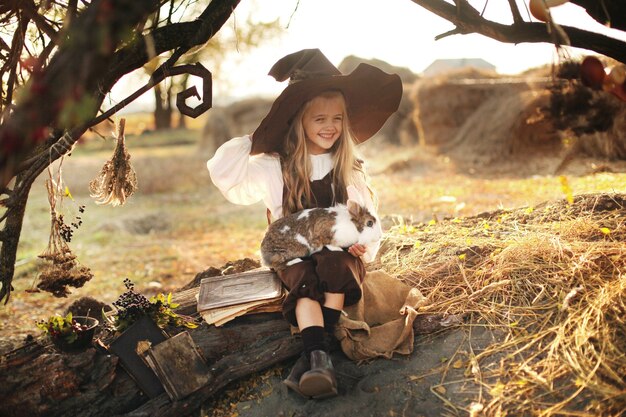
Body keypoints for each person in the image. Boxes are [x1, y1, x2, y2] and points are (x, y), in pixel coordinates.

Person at [207, 49, 402, 399]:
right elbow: (227, 175)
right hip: (293, 251)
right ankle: (321, 354)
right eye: (319, 119)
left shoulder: (348, 166)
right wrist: (258, 137)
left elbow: (366, 219)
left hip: (338, 253)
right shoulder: (273, 166)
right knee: (302, 277)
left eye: (338, 119)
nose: (330, 127)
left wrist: (363, 246)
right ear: (299, 120)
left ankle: (315, 357)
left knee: (337, 264)